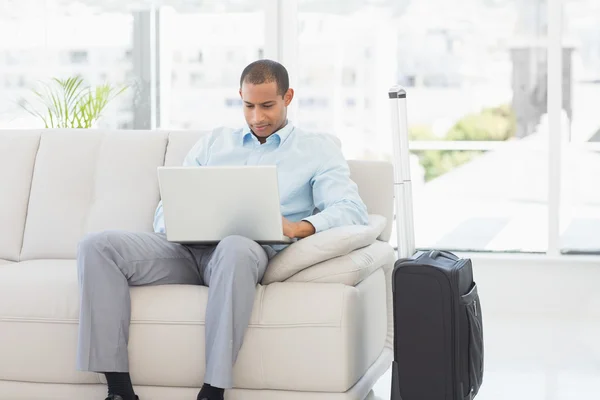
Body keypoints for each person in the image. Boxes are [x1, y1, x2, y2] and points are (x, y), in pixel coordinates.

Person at [76, 59, 369, 400]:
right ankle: (119, 391)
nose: (257, 117)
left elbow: (352, 210)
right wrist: (180, 220)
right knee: (97, 246)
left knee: (234, 246)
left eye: (267, 106)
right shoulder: (215, 142)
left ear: (288, 97)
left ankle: (212, 392)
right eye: (248, 106)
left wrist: (299, 226)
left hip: (243, 254)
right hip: (186, 250)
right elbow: (167, 207)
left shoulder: (317, 149)